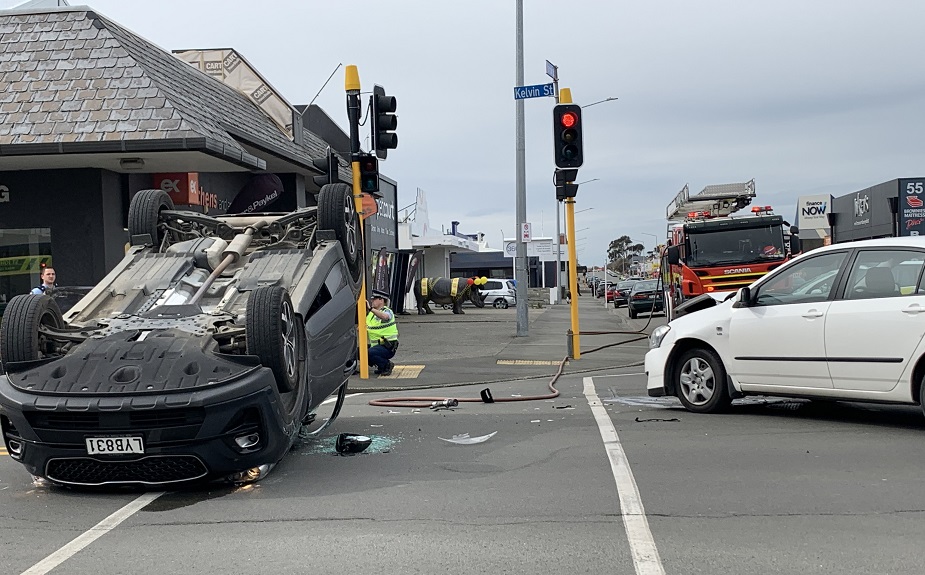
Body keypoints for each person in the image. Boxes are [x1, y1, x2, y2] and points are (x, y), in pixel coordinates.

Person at [366, 290, 399, 376]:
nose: (372, 301)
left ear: (381, 300)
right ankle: (381, 366)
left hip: (388, 347)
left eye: (374, 299)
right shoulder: (371, 314)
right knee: (358, 352)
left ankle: (387, 365)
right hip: (377, 346)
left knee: (369, 352)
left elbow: (385, 317)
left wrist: (370, 309)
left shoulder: (387, 311)